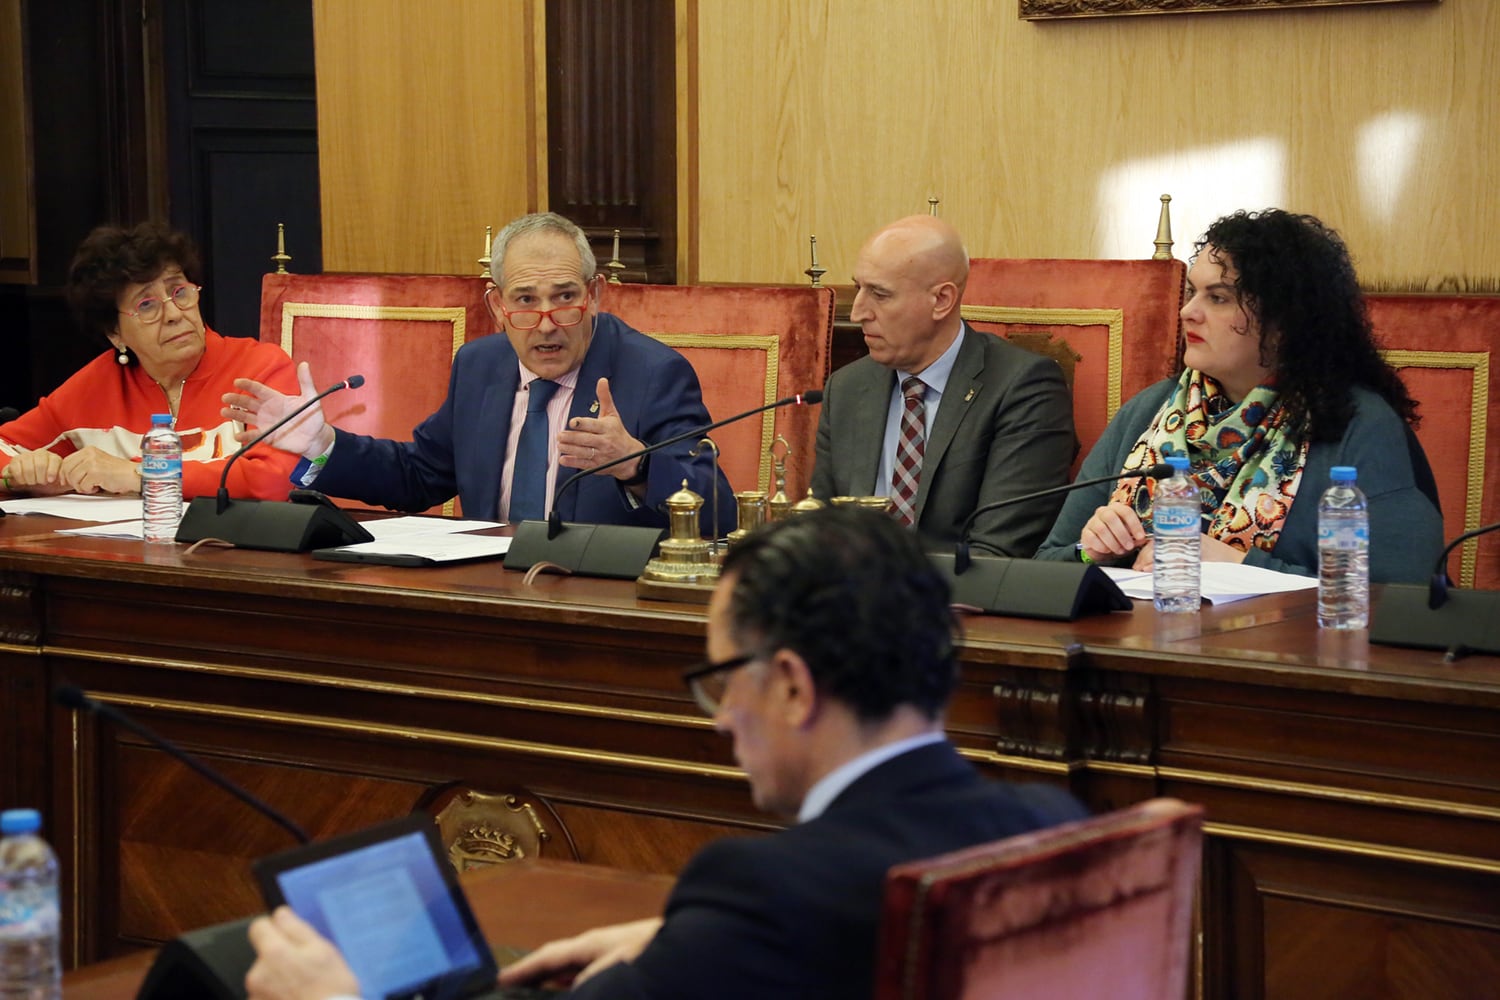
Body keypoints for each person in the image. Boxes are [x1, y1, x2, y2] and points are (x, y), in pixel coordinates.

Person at [243, 507, 1087, 1000]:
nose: (721, 723)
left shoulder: (769, 897)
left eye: (725, 681)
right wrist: (686, 940)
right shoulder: (1054, 828)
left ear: (792, 686)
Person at [221, 213, 734, 532]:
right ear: (497, 306)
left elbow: (720, 515)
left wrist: (636, 467)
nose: (547, 323)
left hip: (600, 608)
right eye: (525, 301)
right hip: (490, 595)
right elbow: (420, 476)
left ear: (595, 295)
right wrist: (324, 443)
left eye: (566, 298)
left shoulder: (653, 373)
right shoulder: (480, 366)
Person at [1035, 209, 1443, 582]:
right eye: (1192, 293)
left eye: (1219, 298)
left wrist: (1237, 566)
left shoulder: (1359, 426)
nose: (1187, 312)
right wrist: (1089, 553)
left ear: (1284, 320)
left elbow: (1404, 593)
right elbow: (1045, 567)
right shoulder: (1149, 410)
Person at [810, 215, 1076, 557]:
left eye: (879, 294)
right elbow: (819, 527)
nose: (859, 311)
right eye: (858, 287)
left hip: (955, 602)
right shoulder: (847, 387)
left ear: (941, 300)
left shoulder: (1023, 388)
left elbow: (997, 551)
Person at [0, 222, 299, 499]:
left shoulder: (260, 368)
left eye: (179, 292)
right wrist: (25, 473)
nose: (173, 314)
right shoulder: (93, 387)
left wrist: (140, 475)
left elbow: (276, 479)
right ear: (115, 333)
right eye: (146, 305)